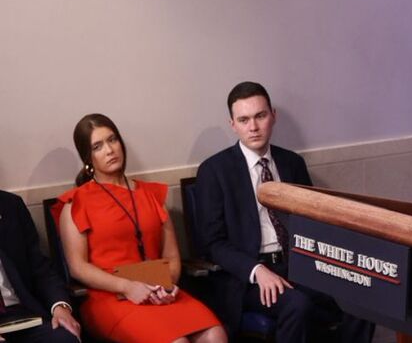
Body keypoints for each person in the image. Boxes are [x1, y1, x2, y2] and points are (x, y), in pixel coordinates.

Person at [195, 81, 373, 342]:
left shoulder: (292, 163)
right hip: (248, 276)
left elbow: (313, 222)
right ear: (233, 124)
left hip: (299, 264)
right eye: (244, 120)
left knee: (364, 298)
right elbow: (213, 244)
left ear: (273, 116)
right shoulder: (214, 171)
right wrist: (256, 270)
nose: (253, 127)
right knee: (297, 305)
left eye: (260, 116)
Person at [56, 114, 227, 343]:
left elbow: (172, 257)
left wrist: (167, 286)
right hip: (110, 297)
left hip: (159, 289)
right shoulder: (76, 203)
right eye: (98, 146)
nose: (109, 150)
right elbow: (78, 267)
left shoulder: (151, 194)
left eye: (112, 140)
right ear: (88, 157)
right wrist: (127, 287)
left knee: (216, 335)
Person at [0, 191, 80, 343]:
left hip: (22, 313)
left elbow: (40, 268)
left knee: (65, 338)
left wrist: (60, 306)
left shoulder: (10, 204)